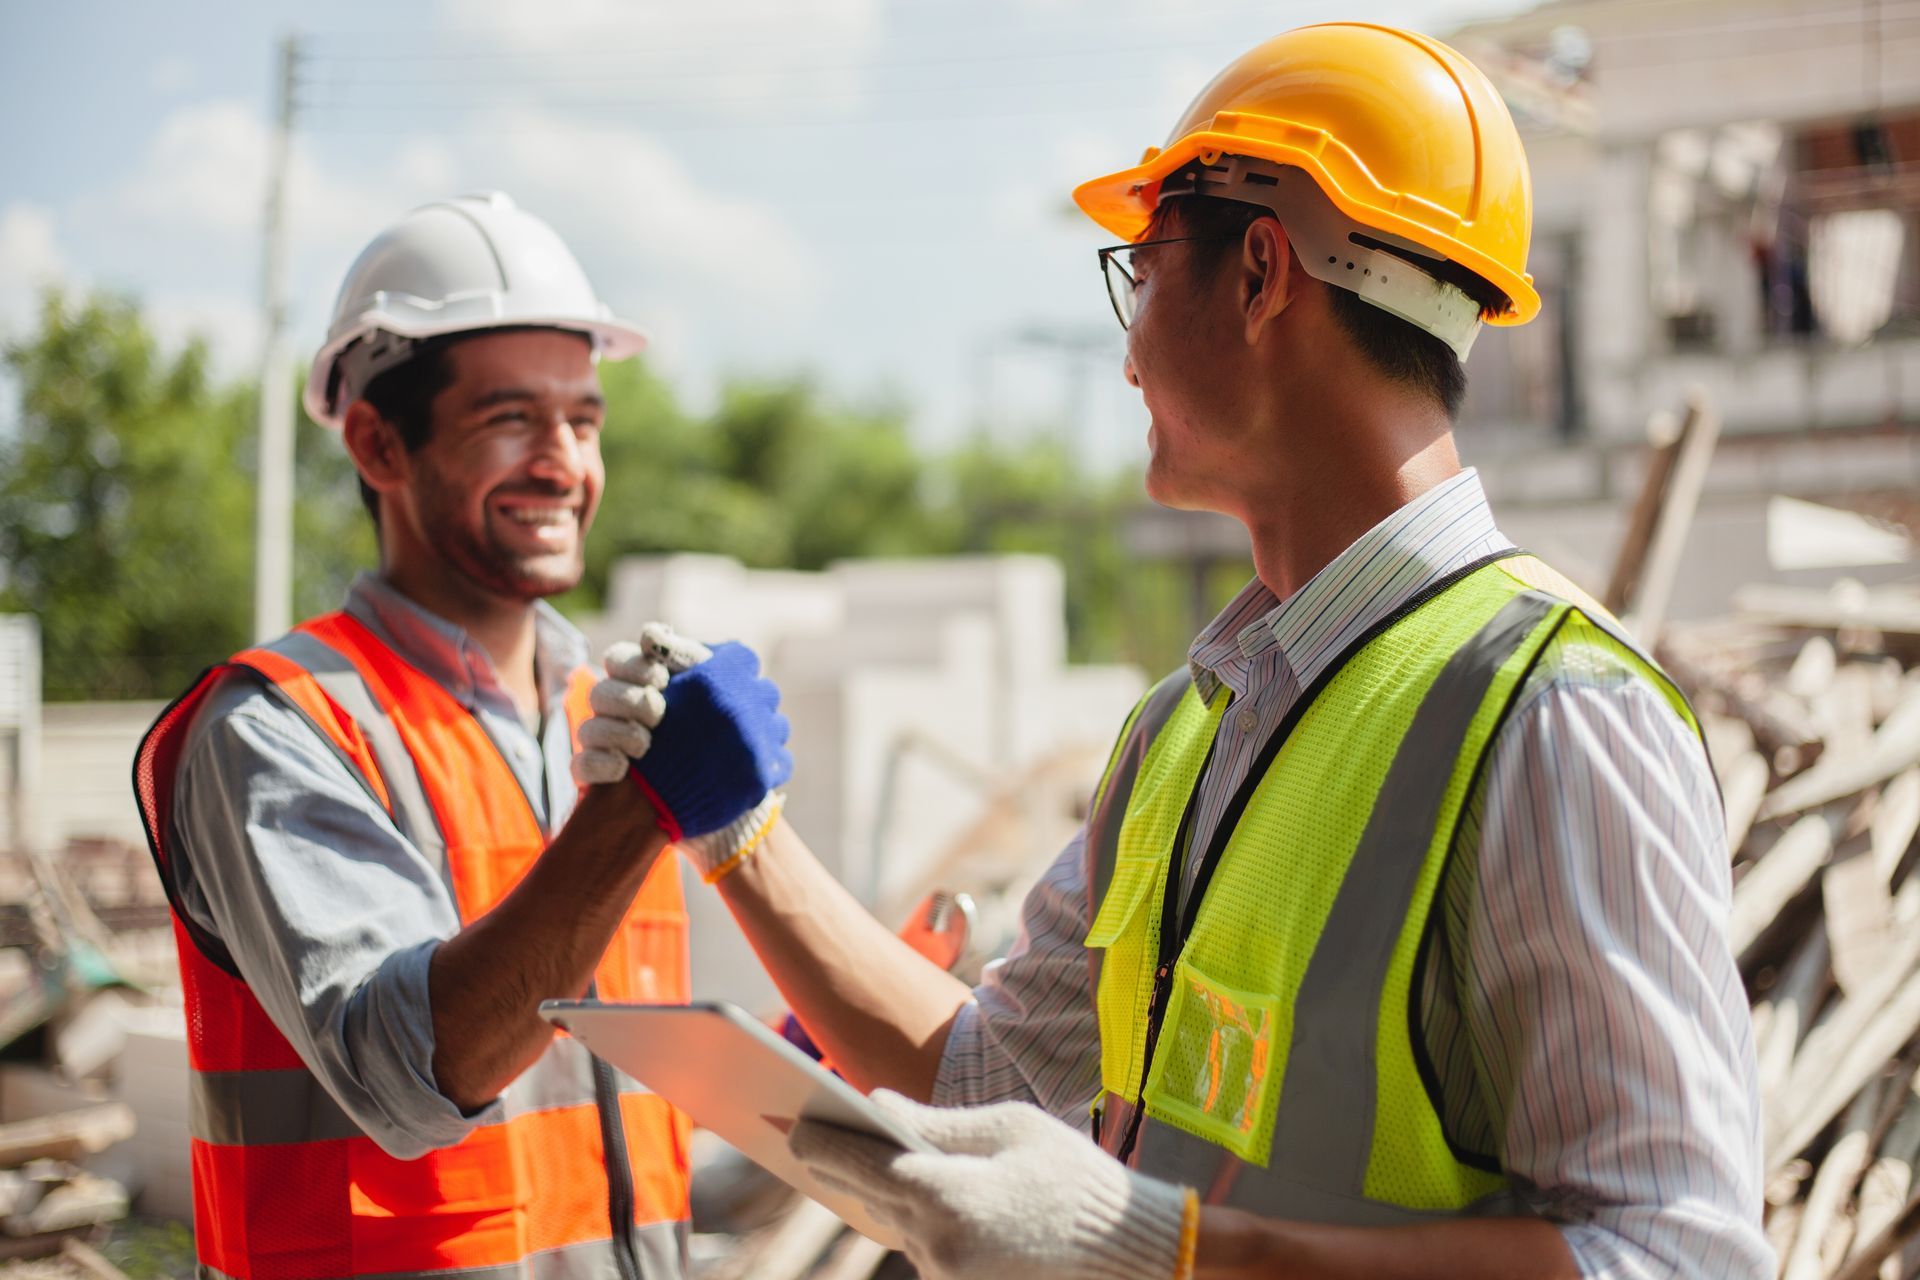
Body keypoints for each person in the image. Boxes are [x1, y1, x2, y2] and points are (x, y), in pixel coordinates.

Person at [576, 25, 1771, 1280]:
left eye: (1139, 269)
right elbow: (992, 1081)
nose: (1127, 344)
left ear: (1260, 273)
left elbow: (1674, 1256)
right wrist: (740, 833)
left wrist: (1169, 1248)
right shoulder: (1185, 728)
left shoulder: (1553, 713)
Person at [131, 193, 788, 1280]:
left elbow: (614, 1161)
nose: (563, 462)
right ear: (377, 442)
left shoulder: (600, 715)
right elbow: (412, 1073)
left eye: (583, 419)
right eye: (511, 419)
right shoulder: (280, 724)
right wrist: (638, 811)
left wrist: (803, 1086)